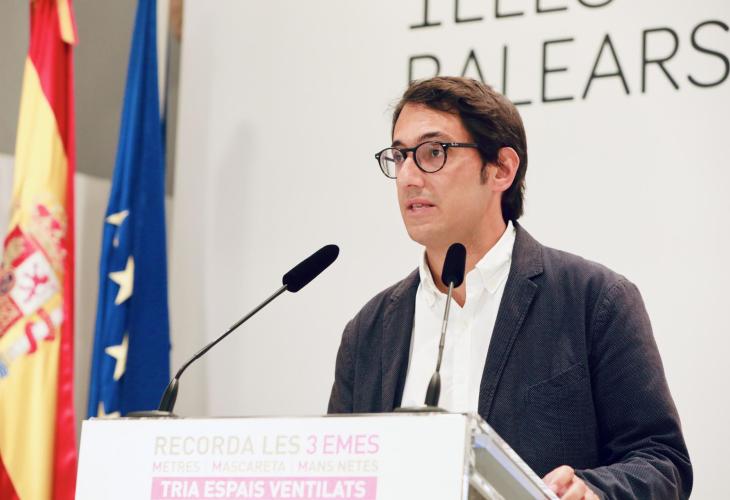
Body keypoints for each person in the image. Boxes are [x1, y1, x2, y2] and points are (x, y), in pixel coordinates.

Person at [327, 76, 692, 499]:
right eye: (399, 156)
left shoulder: (594, 300)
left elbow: (662, 462)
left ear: (501, 168)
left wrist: (592, 491)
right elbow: (341, 475)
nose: (408, 176)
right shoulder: (368, 332)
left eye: (433, 152)